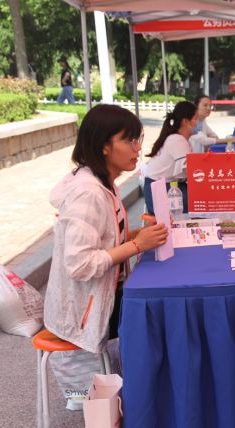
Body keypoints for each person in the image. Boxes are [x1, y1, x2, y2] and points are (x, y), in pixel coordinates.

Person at [44, 104, 168, 356]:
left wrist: (137, 235)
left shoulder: (104, 182)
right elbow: (79, 265)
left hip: (106, 294)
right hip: (85, 310)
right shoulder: (88, 193)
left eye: (138, 139)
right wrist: (136, 245)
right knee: (163, 317)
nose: (138, 148)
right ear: (104, 146)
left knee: (163, 309)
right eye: (129, 140)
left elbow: (104, 241)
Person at [141, 101, 200, 215]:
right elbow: (186, 171)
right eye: (196, 119)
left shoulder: (179, 139)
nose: (198, 123)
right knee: (200, 201)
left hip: (166, 188)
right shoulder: (177, 139)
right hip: (162, 191)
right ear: (185, 121)